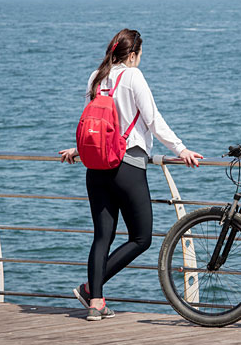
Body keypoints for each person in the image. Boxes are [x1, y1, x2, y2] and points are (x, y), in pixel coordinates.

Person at [59, 28, 202, 321]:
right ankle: (89, 288)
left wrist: (78, 149)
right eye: (140, 55)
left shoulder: (96, 77)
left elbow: (94, 125)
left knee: (102, 237)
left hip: (96, 167)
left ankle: (95, 301)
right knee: (142, 237)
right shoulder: (133, 77)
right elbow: (152, 120)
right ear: (133, 54)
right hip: (127, 167)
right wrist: (181, 148)